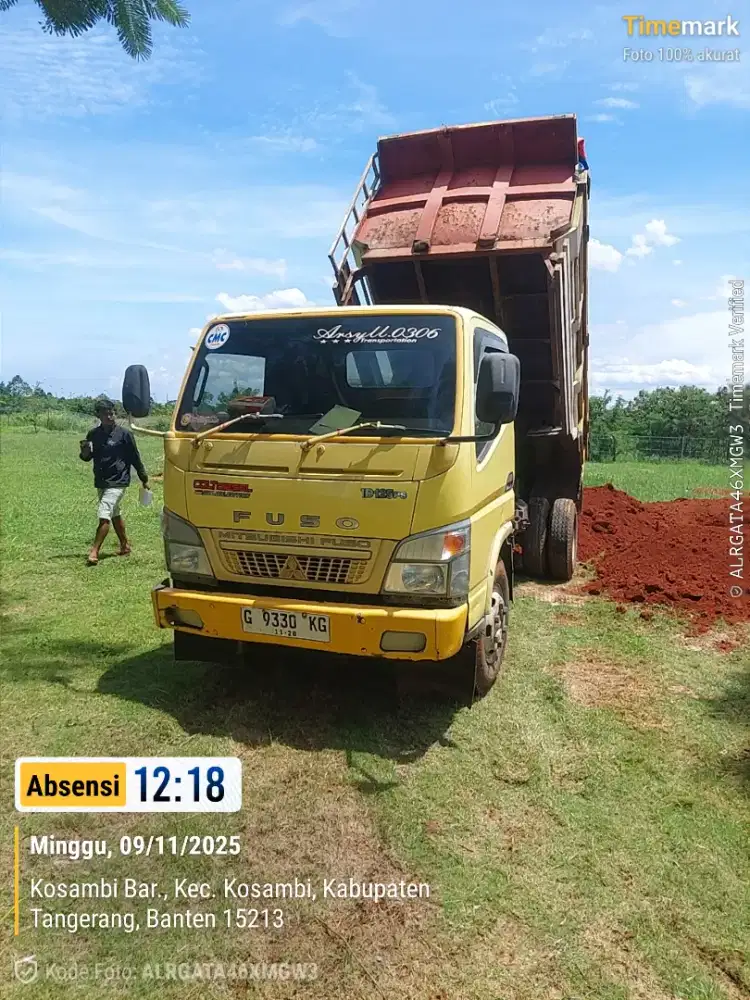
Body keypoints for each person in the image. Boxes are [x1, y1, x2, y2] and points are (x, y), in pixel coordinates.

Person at [79, 398, 148, 566]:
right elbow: (86, 458)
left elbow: (135, 457)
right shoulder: (93, 434)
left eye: (112, 413)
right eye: (105, 414)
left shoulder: (124, 434)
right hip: (102, 480)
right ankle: (125, 546)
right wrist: (85, 451)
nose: (110, 416)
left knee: (104, 514)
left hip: (119, 480)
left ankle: (94, 551)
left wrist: (143, 478)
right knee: (115, 513)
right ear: (98, 416)